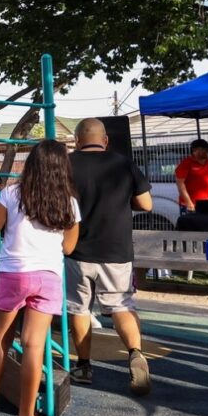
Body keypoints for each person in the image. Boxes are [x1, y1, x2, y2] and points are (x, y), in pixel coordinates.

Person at [0, 139, 79, 416]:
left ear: (31, 164)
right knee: (34, 345)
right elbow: (69, 247)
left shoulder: (11, 193)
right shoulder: (69, 202)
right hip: (47, 275)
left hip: (13, 273)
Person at [66, 118, 153, 396]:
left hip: (77, 249)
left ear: (77, 140)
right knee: (121, 305)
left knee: (79, 309)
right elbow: (146, 204)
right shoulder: (123, 163)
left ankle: (83, 366)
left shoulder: (66, 164)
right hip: (117, 250)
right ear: (105, 140)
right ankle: (136, 353)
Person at [174, 138, 208, 214]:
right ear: (194, 151)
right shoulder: (186, 163)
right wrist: (189, 203)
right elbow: (180, 184)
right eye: (204, 149)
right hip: (191, 206)